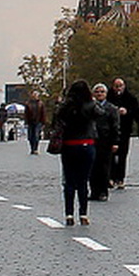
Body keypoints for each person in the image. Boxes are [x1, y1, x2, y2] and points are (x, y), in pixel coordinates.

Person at [53, 81, 99, 225]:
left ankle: (69, 214)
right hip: (87, 145)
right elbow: (101, 114)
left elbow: (56, 120)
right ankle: (84, 214)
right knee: (83, 181)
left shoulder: (66, 107)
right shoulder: (90, 105)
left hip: (69, 145)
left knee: (69, 181)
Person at [107, 78, 139, 188]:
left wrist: (127, 112)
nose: (118, 88)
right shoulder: (108, 97)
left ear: (124, 86)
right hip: (110, 130)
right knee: (110, 155)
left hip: (125, 128)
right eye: (116, 86)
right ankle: (111, 177)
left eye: (120, 85)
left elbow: (136, 111)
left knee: (122, 155)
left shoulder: (130, 98)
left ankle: (120, 178)